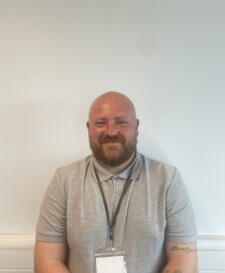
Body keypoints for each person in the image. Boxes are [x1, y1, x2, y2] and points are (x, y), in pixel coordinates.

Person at [35, 91, 198, 273]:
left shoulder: (167, 180)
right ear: (88, 128)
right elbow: (47, 262)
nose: (111, 131)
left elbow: (184, 262)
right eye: (100, 123)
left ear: (136, 126)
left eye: (121, 122)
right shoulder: (64, 181)